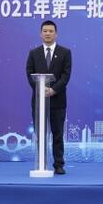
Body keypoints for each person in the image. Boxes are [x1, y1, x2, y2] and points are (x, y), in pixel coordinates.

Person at [25, 19, 72, 174]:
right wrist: (40, 89)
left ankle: (59, 164)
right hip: (39, 101)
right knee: (40, 134)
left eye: (51, 31)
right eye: (45, 31)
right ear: (40, 34)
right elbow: (29, 74)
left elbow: (66, 75)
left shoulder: (65, 52)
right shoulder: (34, 53)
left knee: (57, 134)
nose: (48, 33)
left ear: (56, 34)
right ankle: (41, 162)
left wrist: (53, 90)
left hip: (58, 100)